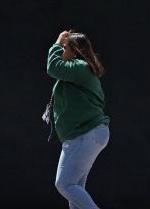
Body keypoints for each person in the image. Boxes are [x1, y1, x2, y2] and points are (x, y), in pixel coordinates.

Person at [47, 30, 111, 209]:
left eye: (65, 48)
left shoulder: (80, 67)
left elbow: (53, 68)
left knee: (64, 184)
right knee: (75, 191)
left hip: (86, 134)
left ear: (75, 51)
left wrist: (57, 44)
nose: (62, 51)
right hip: (84, 134)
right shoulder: (78, 70)